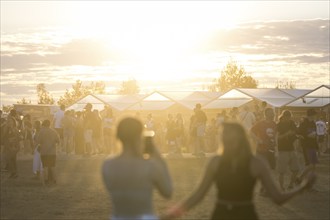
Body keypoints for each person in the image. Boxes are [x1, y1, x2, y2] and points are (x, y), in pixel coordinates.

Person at [162, 122, 316, 220]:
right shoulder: (215, 162)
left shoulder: (256, 163)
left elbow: (278, 198)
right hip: (220, 215)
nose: (225, 141)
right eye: (223, 138)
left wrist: (302, 187)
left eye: (229, 138)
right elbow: (198, 195)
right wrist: (173, 213)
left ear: (240, 139)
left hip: (245, 215)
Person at [102, 117, 173, 220]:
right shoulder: (149, 166)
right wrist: (159, 157)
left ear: (118, 136)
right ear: (140, 136)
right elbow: (168, 192)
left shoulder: (108, 165)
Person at [276, 110, 300, 191]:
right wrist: (287, 134)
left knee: (296, 169)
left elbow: (295, 132)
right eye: (287, 117)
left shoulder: (292, 123)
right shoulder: (279, 125)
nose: (288, 118)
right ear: (283, 117)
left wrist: (297, 136)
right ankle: (281, 187)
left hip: (291, 149)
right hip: (282, 150)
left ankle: (290, 185)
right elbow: (277, 138)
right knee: (282, 171)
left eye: (289, 117)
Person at [36, 120, 60, 186]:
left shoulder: (41, 132)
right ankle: (54, 180)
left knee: (45, 166)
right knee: (53, 167)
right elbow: (58, 141)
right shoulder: (54, 131)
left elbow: (38, 141)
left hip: (44, 152)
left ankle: (46, 180)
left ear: (43, 124)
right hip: (52, 152)